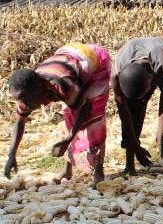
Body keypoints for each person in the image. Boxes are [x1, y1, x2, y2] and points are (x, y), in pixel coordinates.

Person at [4, 43, 111, 187]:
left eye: (27, 100)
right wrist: (12, 154)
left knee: (94, 117)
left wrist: (70, 136)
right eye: (20, 100)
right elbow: (20, 121)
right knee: (69, 115)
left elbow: (86, 106)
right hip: (69, 58)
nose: (25, 105)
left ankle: (99, 170)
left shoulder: (61, 84)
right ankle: (67, 170)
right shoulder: (25, 94)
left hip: (95, 60)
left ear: (39, 88)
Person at [111, 37, 163, 178]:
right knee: (133, 110)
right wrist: (135, 146)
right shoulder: (116, 74)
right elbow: (124, 112)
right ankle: (129, 165)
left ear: (151, 77)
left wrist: (160, 135)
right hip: (137, 68)